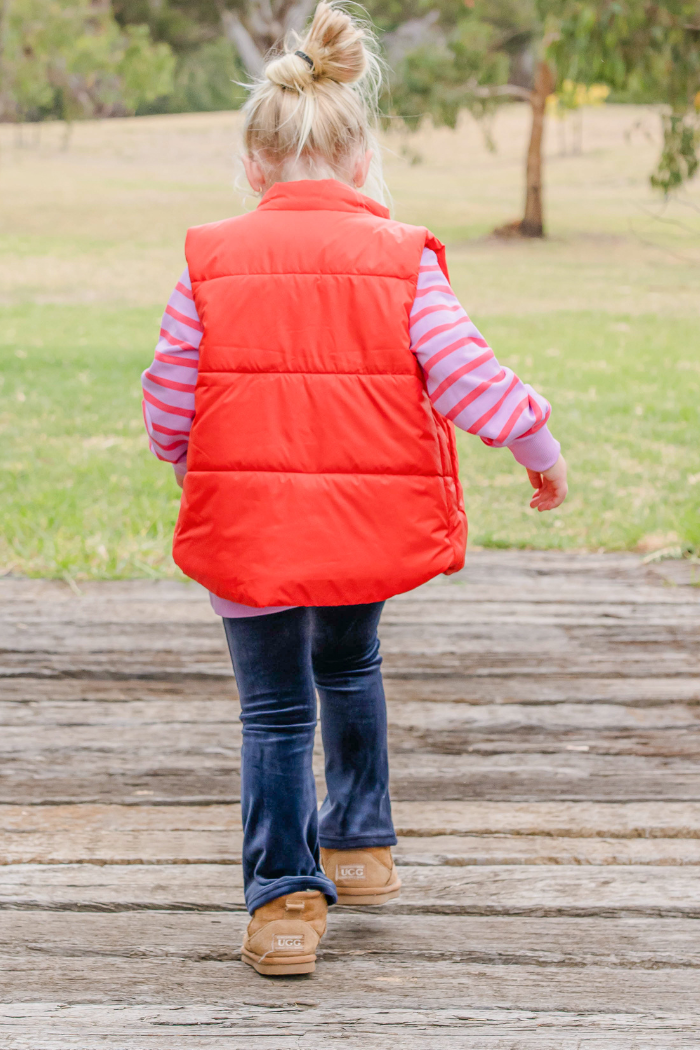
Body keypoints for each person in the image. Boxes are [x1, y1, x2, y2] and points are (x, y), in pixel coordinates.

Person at [141, 1, 568, 977]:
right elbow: (468, 375)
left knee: (276, 711)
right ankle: (364, 841)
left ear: (254, 166)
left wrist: (181, 456)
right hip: (359, 524)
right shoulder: (400, 258)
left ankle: (284, 898)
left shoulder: (208, 258)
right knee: (349, 663)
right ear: (360, 152)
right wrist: (536, 449)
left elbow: (169, 391)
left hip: (244, 527)